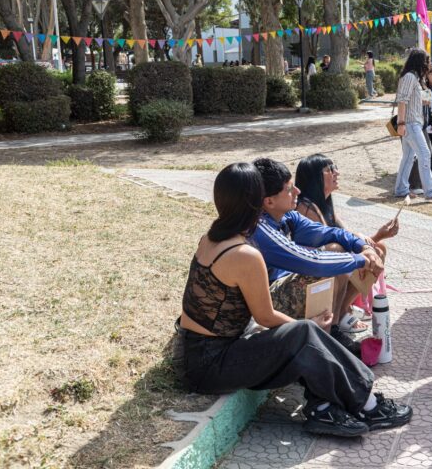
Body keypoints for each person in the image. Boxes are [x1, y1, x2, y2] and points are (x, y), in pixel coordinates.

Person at [173, 162, 412, 437]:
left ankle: (323, 408)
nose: (296, 191)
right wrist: (309, 329)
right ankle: (369, 406)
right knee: (304, 333)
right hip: (210, 365)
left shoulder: (212, 237)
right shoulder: (244, 253)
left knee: (304, 335)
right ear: (256, 202)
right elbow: (265, 317)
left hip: (198, 354)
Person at [249, 158, 385, 354]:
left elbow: (333, 233)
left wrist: (364, 247)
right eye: (290, 189)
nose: (297, 191)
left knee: (339, 251)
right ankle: (323, 343)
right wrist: (360, 260)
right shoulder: (261, 228)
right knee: (331, 260)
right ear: (269, 201)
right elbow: (312, 262)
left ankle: (332, 331)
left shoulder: (287, 216)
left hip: (285, 287)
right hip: (267, 302)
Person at [294, 154, 400, 331]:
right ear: (314, 178)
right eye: (329, 169)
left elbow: (349, 238)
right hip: (309, 273)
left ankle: (343, 309)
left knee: (378, 249)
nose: (337, 172)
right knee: (337, 251)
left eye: (335, 167)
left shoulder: (325, 204)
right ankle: (339, 316)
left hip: (328, 265)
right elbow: (334, 245)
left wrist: (380, 236)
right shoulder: (306, 208)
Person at [394, 49, 432, 200]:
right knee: (424, 154)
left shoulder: (414, 77)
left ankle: (401, 189)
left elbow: (414, 101)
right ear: (420, 61)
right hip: (410, 123)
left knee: (409, 157)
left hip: (412, 123)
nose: (428, 64)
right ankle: (431, 190)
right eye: (427, 60)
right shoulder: (410, 77)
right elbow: (402, 101)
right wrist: (401, 123)